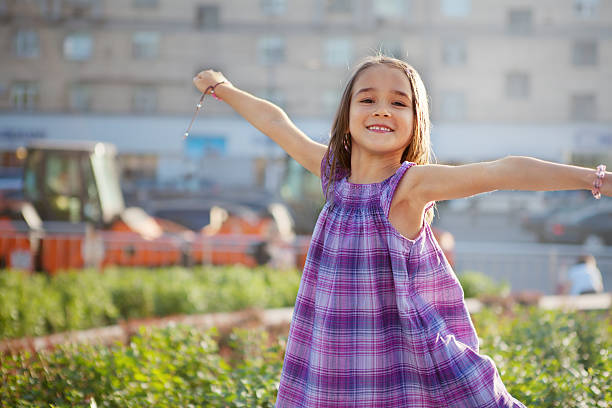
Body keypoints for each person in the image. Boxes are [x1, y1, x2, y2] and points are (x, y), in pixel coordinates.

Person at [193, 55, 610, 407]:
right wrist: (222, 88)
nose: (381, 109)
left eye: (399, 102)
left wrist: (595, 178)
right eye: (368, 99)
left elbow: (504, 170)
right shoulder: (332, 177)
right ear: (347, 115)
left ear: (415, 121)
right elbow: (276, 122)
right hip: (332, 353)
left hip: (394, 358)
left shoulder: (409, 188)